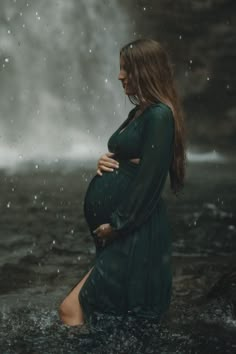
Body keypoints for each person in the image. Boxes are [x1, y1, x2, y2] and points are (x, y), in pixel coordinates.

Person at [59, 38, 187, 326]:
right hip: (127, 232)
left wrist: (117, 226)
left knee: (72, 310)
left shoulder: (160, 115)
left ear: (146, 70)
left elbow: (150, 181)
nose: (120, 76)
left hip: (135, 233)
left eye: (126, 68)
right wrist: (105, 160)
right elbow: (131, 158)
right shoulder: (141, 112)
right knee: (112, 322)